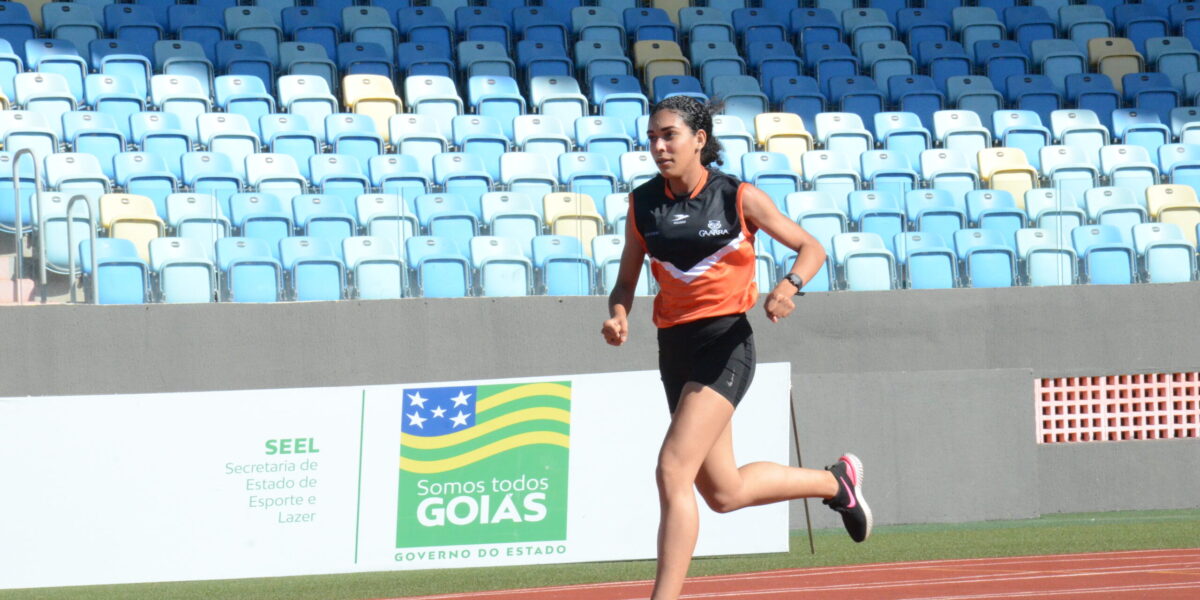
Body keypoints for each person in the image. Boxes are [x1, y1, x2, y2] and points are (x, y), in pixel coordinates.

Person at [600, 96, 872, 600]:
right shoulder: (642, 205)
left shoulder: (738, 197)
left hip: (725, 345)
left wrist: (788, 286)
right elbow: (624, 283)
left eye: (669, 135)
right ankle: (836, 483)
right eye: (652, 137)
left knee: (671, 468)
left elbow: (811, 247)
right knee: (724, 493)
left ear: (699, 139)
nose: (658, 146)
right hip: (673, 350)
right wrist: (618, 315)